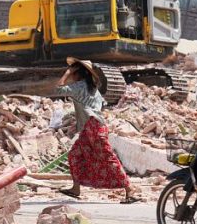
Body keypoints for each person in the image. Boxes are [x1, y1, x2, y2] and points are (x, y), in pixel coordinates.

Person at [56, 57, 140, 204]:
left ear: (78, 73)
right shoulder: (93, 89)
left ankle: (129, 190)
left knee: (108, 158)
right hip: (92, 127)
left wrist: (67, 72)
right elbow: (101, 106)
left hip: (92, 127)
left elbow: (58, 88)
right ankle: (76, 188)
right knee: (75, 154)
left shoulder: (80, 86)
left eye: (74, 71)